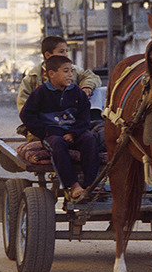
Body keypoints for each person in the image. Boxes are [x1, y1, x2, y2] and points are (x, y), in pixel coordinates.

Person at [21, 55, 100, 200]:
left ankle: (90, 183)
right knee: (57, 144)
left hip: (74, 132)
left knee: (90, 139)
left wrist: (74, 133)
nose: (71, 75)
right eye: (66, 71)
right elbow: (27, 115)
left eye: (71, 71)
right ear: (51, 74)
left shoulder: (76, 92)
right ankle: (73, 185)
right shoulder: (41, 93)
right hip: (52, 133)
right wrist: (45, 132)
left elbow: (84, 115)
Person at [16, 36, 102, 113]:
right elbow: (23, 105)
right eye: (61, 51)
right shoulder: (33, 77)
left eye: (66, 51)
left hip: (71, 120)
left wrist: (87, 86)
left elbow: (91, 77)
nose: (66, 55)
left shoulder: (74, 70)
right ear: (48, 55)